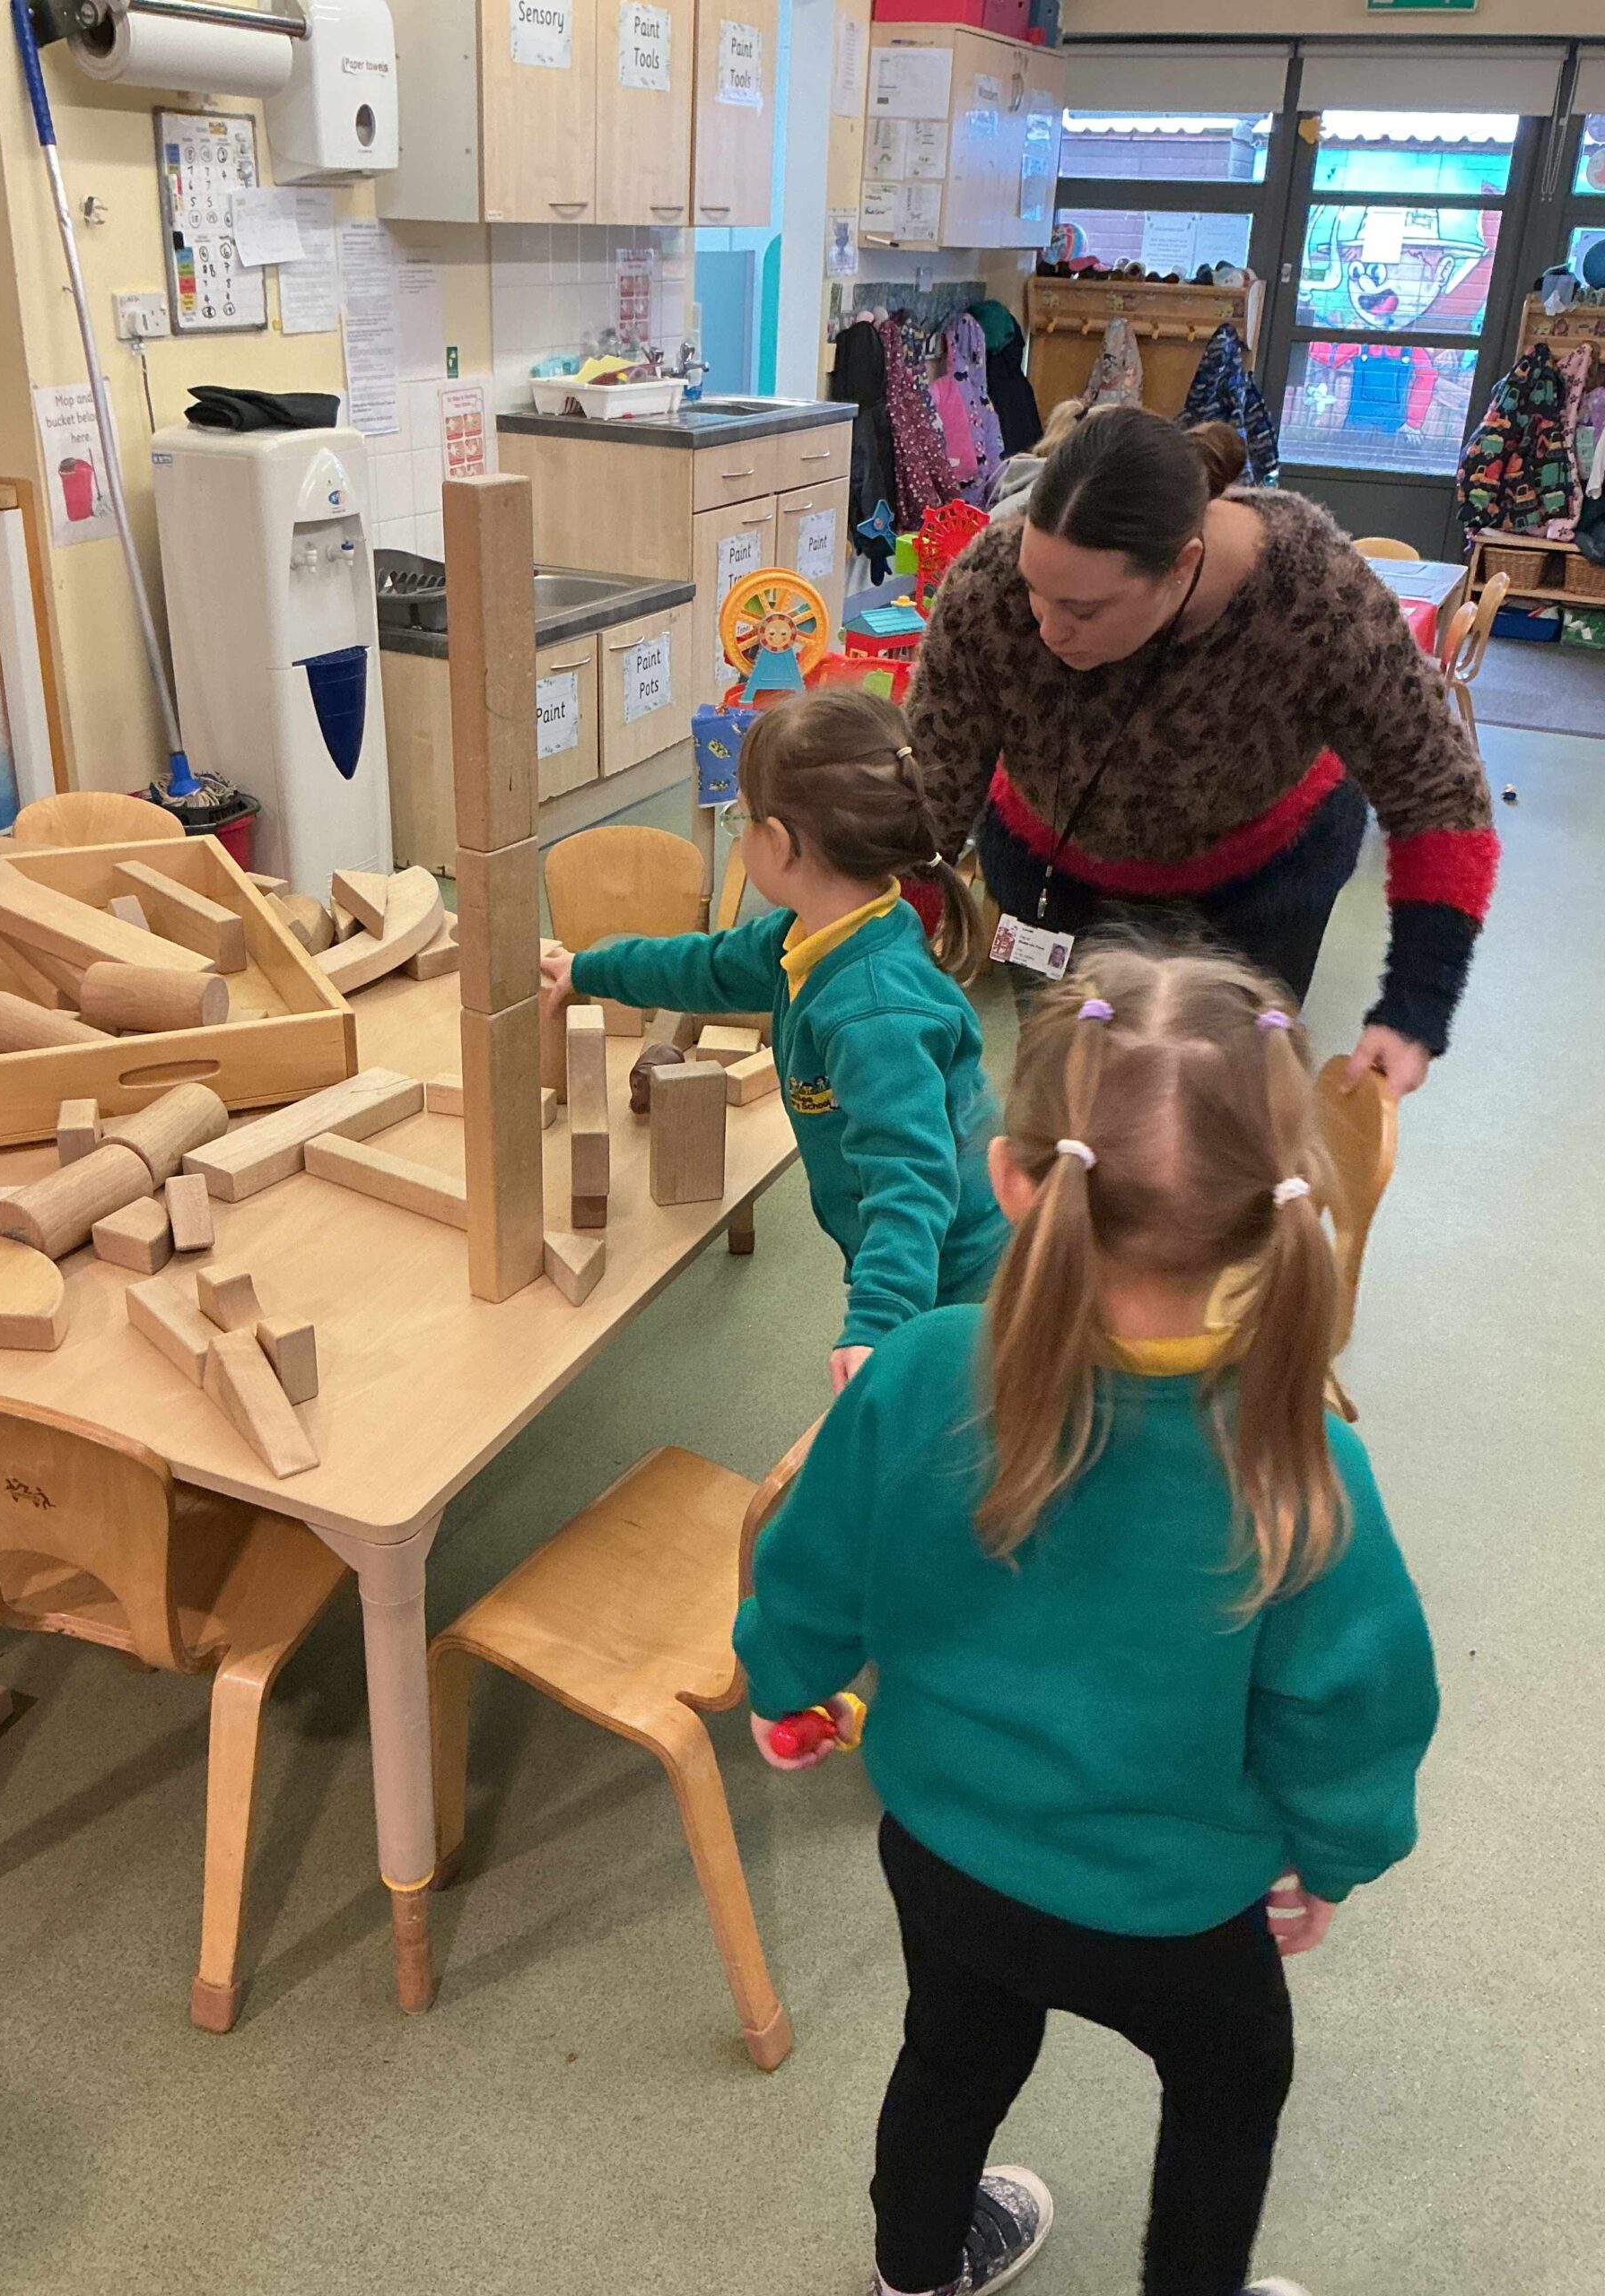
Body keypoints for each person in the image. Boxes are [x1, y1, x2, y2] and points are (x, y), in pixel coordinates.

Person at [734, 941, 1440, 2296]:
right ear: (1282, 1206)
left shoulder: (919, 1369)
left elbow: (809, 1569)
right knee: (1233, 2083)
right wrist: (1332, 1860)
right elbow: (1355, 1711)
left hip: (944, 1846)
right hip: (1175, 1907)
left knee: (954, 2052)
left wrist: (784, 1686)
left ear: (1011, 1177)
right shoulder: (1306, 1468)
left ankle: (911, 2274)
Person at [906, 404, 1499, 1098]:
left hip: (1262, 886)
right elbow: (928, 795)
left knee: (1222, 1110)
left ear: (1183, 565)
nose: (1047, 629)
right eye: (1035, 590)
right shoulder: (990, 582)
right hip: (1053, 880)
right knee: (1073, 1102)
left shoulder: (1312, 590)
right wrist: (880, 953)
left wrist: (1415, 1008)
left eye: (1084, 610)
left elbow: (1438, 790)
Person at [539, 689, 1007, 1390]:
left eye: (741, 817)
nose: (739, 831)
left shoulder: (874, 1012)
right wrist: (588, 969)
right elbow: (702, 968)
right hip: (917, 1260)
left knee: (942, 1424)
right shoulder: (811, 934)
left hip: (957, 1277)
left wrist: (878, 1322)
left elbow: (909, 1179)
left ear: (781, 844)